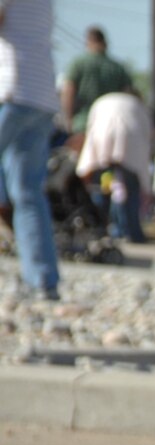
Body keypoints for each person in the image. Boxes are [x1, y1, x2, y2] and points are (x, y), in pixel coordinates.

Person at [0, 0, 59, 299]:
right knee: (28, 193)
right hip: (43, 94)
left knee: (23, 191)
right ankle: (42, 280)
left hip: (11, 89)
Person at [77, 88, 150, 242]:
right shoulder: (137, 104)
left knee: (103, 188)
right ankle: (131, 232)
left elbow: (90, 126)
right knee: (130, 191)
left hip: (103, 145)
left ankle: (98, 228)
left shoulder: (103, 100)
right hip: (130, 149)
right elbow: (147, 133)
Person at [58, 25, 133, 133]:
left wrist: (68, 120)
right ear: (105, 43)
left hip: (84, 123)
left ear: (88, 42)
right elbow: (128, 95)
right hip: (112, 125)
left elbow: (68, 92)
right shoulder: (118, 68)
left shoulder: (78, 64)